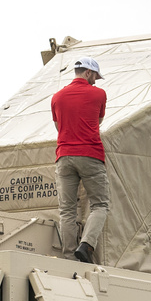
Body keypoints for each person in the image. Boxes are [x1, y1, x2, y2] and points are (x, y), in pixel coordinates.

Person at [51, 56, 109, 263]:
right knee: (100, 204)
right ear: (88, 72)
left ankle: (69, 256)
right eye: (95, 76)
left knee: (66, 210)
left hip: (64, 156)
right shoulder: (99, 94)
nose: (95, 80)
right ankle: (86, 246)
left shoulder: (57, 97)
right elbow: (98, 121)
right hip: (90, 155)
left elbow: (59, 127)